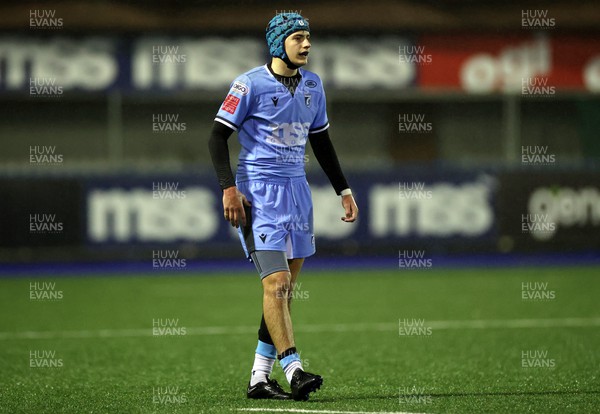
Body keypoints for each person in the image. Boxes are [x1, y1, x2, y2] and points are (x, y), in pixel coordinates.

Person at [208, 12, 358, 401]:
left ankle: (259, 378)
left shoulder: (313, 85)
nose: (307, 44)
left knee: (284, 292)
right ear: (278, 43)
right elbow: (216, 138)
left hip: (298, 192)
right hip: (257, 194)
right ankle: (294, 369)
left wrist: (342, 188)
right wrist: (228, 190)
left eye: (308, 37)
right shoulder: (248, 84)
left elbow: (321, 141)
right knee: (275, 284)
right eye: (298, 37)